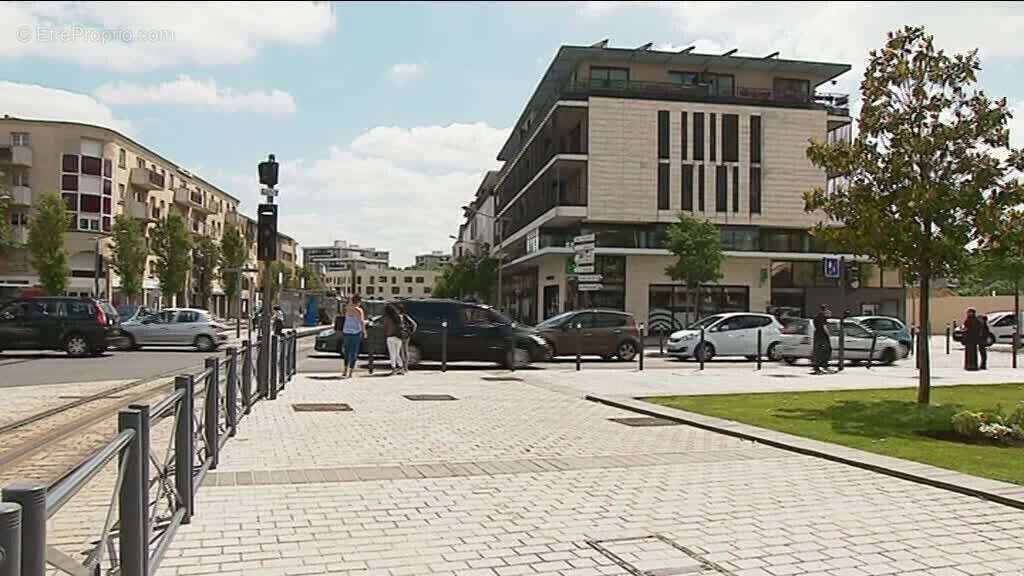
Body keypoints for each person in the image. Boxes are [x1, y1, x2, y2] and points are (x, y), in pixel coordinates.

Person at [341, 295, 366, 378]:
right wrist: (364, 332)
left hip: (346, 332)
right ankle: (350, 372)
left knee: (346, 352)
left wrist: (350, 300)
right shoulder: (359, 310)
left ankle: (345, 370)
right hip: (356, 332)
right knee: (354, 352)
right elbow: (361, 322)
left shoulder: (347, 308)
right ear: (359, 301)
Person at [383, 304, 404, 375]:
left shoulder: (388, 318)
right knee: (397, 353)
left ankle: (394, 369)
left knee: (392, 354)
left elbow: (386, 327)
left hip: (390, 337)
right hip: (399, 337)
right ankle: (401, 368)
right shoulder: (399, 317)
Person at [812, 305, 832, 374]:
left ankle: (817, 367)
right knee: (826, 351)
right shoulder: (822, 317)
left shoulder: (816, 317)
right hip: (822, 336)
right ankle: (823, 366)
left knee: (818, 351)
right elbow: (824, 327)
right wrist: (829, 334)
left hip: (817, 335)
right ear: (825, 310)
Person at [398, 302, 417, 374]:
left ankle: (404, 368)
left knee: (403, 352)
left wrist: (409, 332)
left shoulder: (403, 317)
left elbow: (414, 324)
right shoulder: (406, 316)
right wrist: (410, 333)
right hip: (406, 336)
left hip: (403, 336)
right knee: (405, 351)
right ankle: (405, 368)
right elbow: (414, 325)